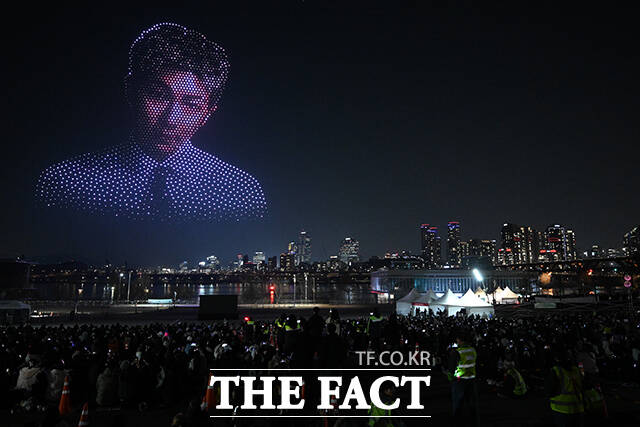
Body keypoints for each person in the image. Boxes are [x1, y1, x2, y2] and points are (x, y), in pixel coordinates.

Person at [37, 22, 266, 221]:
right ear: (131, 91)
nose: (171, 119)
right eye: (158, 95)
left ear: (207, 114)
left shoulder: (239, 190)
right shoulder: (66, 182)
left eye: (191, 105)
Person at [545, 349, 585, 427]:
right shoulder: (576, 370)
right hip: (578, 408)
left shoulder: (556, 371)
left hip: (561, 410)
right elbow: (583, 385)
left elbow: (549, 391)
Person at [447, 332, 479, 427]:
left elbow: (451, 368)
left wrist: (450, 378)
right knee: (471, 403)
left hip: (459, 380)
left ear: (459, 340)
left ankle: (457, 422)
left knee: (458, 404)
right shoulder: (473, 350)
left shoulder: (457, 352)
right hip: (471, 379)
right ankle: (474, 421)